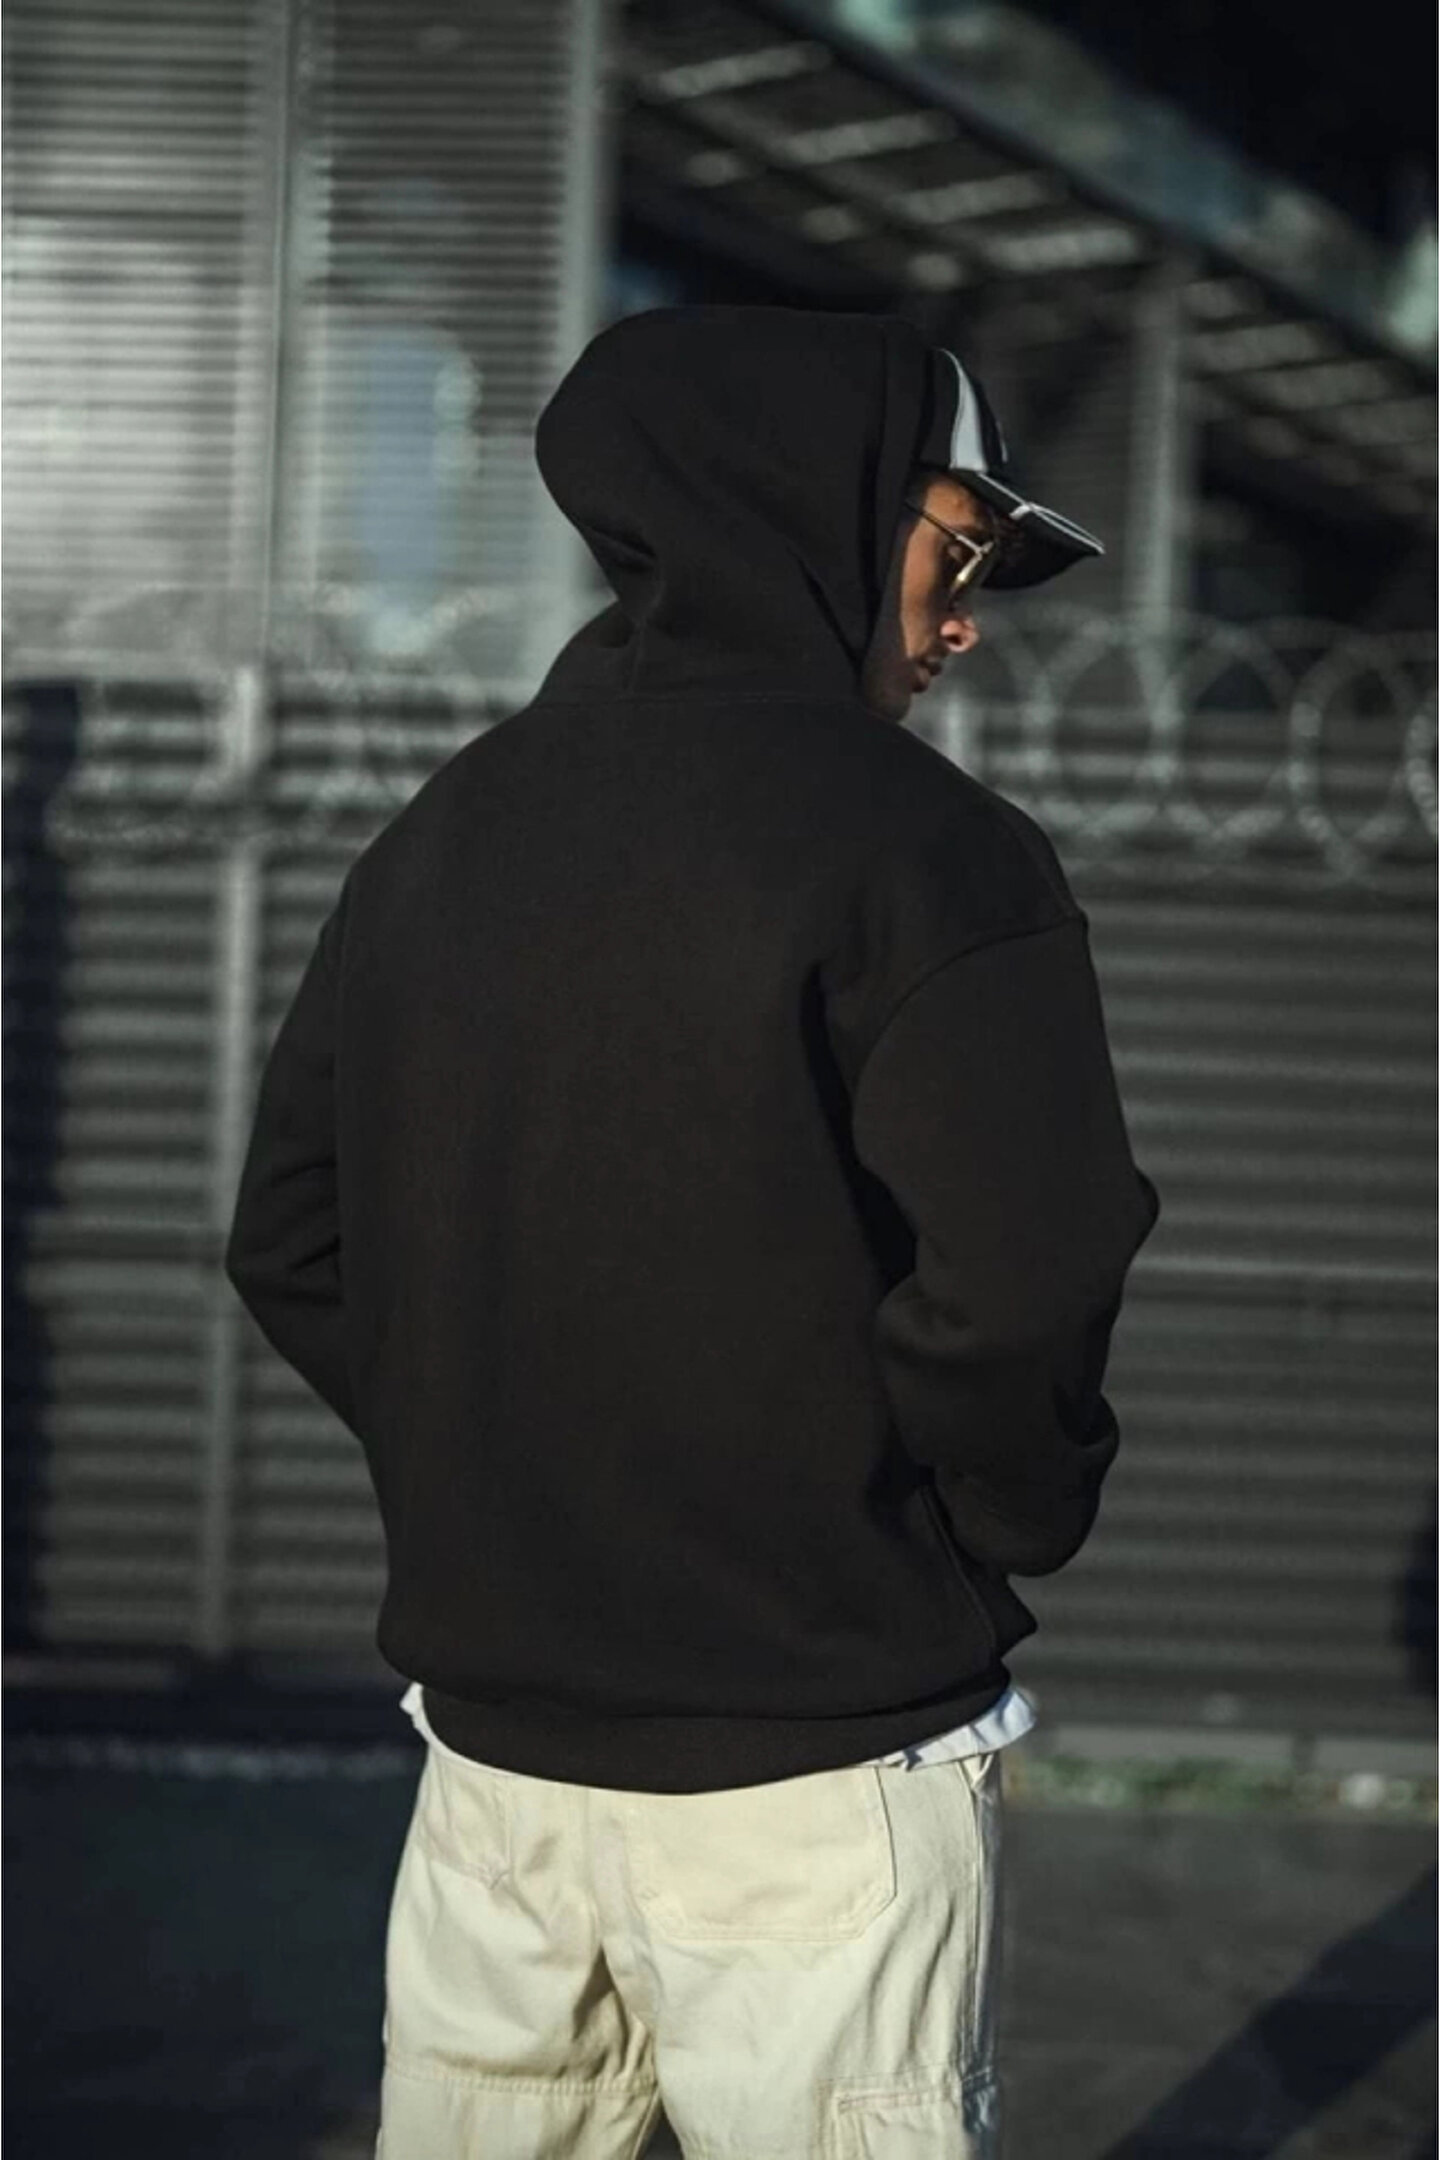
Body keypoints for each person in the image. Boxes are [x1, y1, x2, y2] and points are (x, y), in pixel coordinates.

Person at [224, 303, 1161, 2159]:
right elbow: (1026, 1277)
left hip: (496, 1779)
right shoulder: (928, 852)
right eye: (959, 548)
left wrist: (496, 1478)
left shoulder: (444, 834)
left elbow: (294, 1239)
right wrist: (970, 1531)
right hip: (818, 1772)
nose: (966, 619)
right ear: (815, 511)